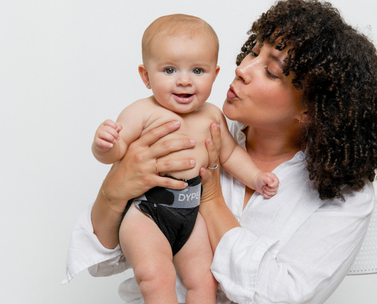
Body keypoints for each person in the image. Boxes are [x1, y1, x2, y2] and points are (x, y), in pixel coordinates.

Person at [63, 0, 377, 303]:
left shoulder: (345, 192)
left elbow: (282, 294)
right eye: (253, 51)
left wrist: (212, 203)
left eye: (270, 71)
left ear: (310, 108)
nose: (242, 69)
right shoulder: (191, 130)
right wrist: (114, 191)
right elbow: (100, 263)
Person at [90, 14, 278, 304]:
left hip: (192, 213)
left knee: (205, 282)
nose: (184, 81)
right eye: (169, 70)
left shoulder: (213, 115)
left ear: (215, 75)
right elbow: (117, 154)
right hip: (148, 211)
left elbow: (229, 154)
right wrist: (105, 146)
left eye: (198, 71)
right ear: (146, 76)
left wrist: (255, 176)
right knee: (155, 276)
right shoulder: (141, 112)